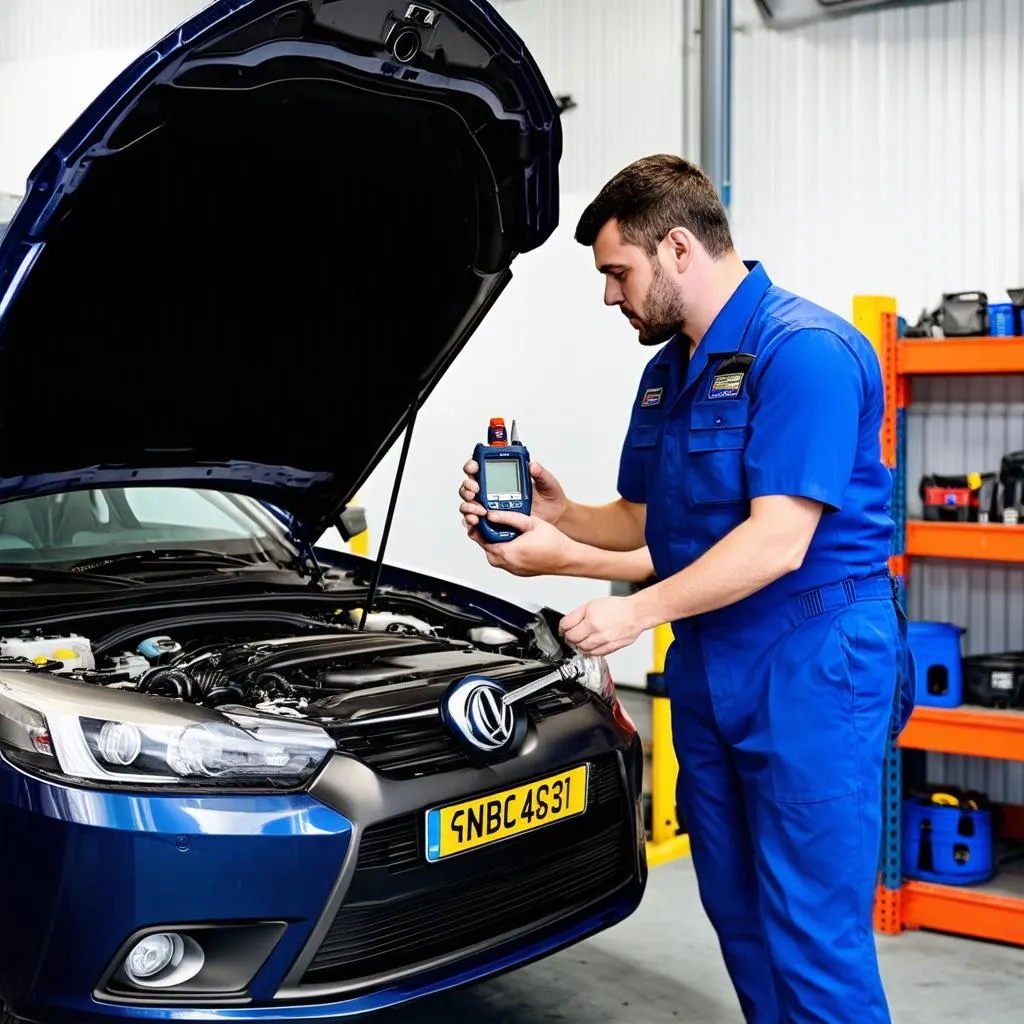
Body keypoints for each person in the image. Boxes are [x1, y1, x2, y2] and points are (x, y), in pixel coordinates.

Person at [458, 154, 914, 1024]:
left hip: (814, 660)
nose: (608, 296)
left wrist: (634, 613)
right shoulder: (670, 369)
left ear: (675, 248)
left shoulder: (805, 353)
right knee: (739, 917)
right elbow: (645, 522)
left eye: (616, 272)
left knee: (813, 934)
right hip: (711, 661)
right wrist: (562, 523)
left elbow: (777, 542)